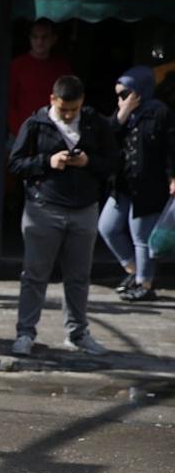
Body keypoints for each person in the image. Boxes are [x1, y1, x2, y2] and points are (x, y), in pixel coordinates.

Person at [8, 75, 118, 357]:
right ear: (52, 100)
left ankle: (78, 333)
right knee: (35, 274)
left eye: (75, 109)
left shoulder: (95, 123)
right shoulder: (36, 124)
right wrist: (48, 161)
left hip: (84, 208)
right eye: (64, 109)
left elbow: (112, 163)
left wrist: (88, 162)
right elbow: (15, 163)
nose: (69, 115)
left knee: (79, 276)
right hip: (44, 207)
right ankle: (25, 333)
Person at [97, 65, 175, 302]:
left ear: (139, 90)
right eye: (118, 95)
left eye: (124, 94)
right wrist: (121, 115)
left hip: (149, 184)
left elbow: (170, 147)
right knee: (107, 227)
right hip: (122, 183)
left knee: (140, 235)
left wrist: (173, 175)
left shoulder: (159, 112)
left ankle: (145, 283)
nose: (121, 99)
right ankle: (133, 270)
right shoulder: (123, 115)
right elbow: (105, 138)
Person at [9, 19, 72, 138]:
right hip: (23, 132)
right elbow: (10, 103)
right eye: (35, 37)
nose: (40, 41)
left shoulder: (62, 67)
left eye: (45, 37)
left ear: (54, 39)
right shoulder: (17, 66)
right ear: (30, 39)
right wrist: (19, 131)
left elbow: (69, 101)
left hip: (54, 133)